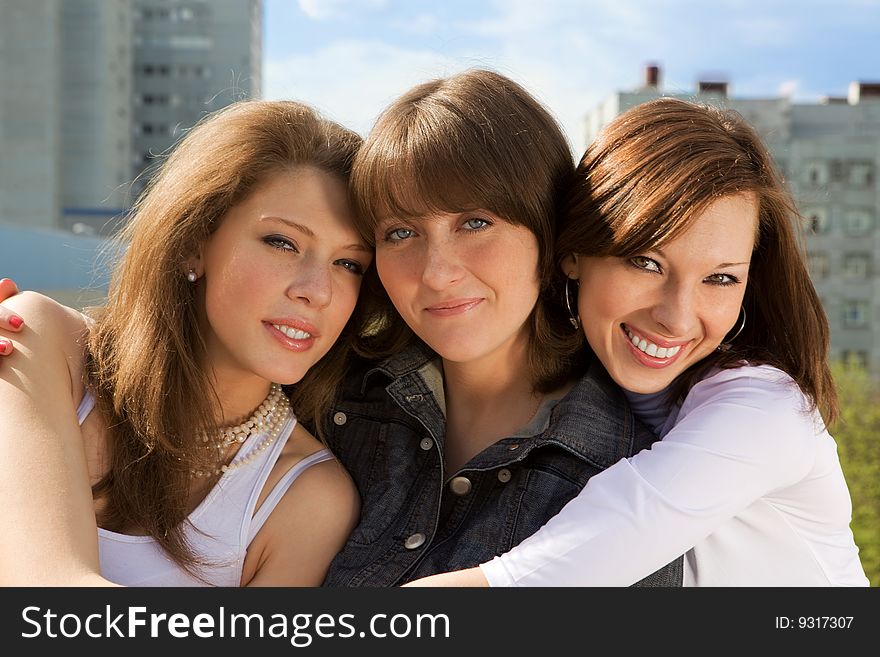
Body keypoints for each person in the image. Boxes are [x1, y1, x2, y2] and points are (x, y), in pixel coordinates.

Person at [0, 70, 684, 587]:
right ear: (193, 240)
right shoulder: (354, 397)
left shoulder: (639, 467)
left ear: (547, 233)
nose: (438, 271)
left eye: (475, 222)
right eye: (400, 233)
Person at [404, 98, 869, 586]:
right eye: (647, 263)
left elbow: (531, 583)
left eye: (720, 279)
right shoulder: (589, 392)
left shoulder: (762, 410)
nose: (676, 317)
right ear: (575, 254)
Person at [0, 99, 372, 586]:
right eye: (283, 242)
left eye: (349, 265)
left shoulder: (308, 496)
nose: (317, 291)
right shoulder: (45, 345)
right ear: (195, 241)